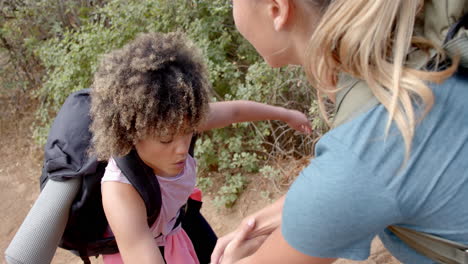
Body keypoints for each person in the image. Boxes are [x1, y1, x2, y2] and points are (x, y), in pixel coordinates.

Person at [211, 0, 468, 263]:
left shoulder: (367, 146)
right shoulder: (424, 38)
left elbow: (363, 173)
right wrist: (285, 213)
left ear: (277, 9)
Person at [88, 31, 312, 264]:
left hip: (180, 223)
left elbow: (235, 112)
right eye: (166, 140)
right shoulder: (120, 192)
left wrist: (286, 115)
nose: (182, 149)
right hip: (148, 247)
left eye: (189, 133)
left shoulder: (177, 120)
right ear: (131, 135)